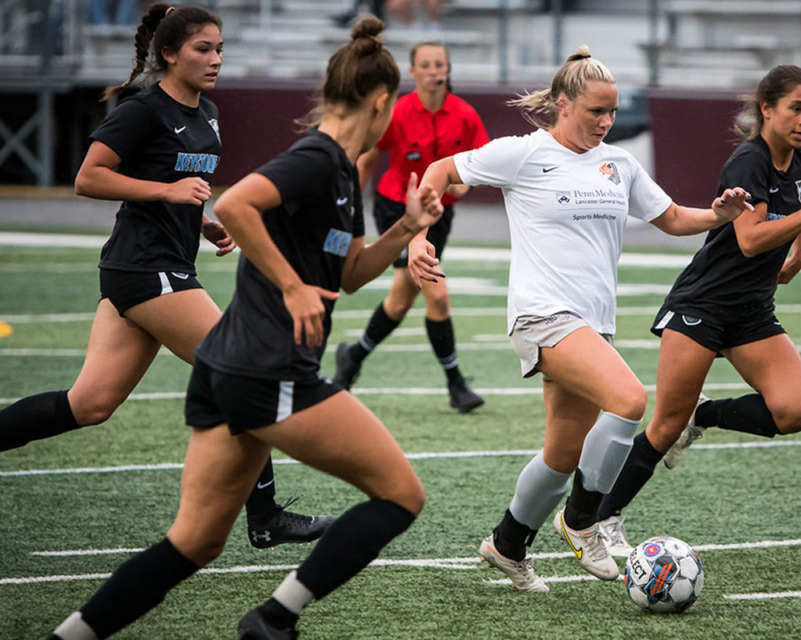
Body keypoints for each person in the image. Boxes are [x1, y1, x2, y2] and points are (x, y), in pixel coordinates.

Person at [48, 15, 440, 640]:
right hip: (267, 368)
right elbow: (233, 204)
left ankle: (71, 634)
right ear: (381, 101)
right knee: (401, 496)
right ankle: (275, 618)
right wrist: (289, 286)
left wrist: (406, 229)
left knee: (195, 543)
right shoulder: (316, 158)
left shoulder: (344, 171)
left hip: (231, 371)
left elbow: (350, 275)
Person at [412, 46, 752, 591]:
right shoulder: (522, 154)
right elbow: (437, 172)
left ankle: (506, 544)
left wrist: (720, 214)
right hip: (542, 316)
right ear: (563, 104)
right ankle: (583, 521)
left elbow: (670, 218)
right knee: (630, 398)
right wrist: (418, 237)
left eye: (612, 112)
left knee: (562, 453)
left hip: (592, 324)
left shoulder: (619, 163)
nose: (606, 121)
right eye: (596, 110)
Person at [0, 4, 331, 550]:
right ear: (170, 53)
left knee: (90, 404)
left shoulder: (210, 113)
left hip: (155, 267)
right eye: (204, 49)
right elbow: (89, 178)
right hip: (146, 269)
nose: (216, 59)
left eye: (221, 49)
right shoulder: (141, 109)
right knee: (244, 368)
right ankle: (266, 515)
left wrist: (199, 222)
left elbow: (172, 181)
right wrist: (169, 195)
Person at [593, 65, 801, 555]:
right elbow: (752, 239)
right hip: (703, 306)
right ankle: (603, 516)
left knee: (793, 411)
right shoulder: (748, 163)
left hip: (753, 312)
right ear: (767, 109)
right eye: (796, 108)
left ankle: (707, 414)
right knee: (665, 424)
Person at [333, 40, 489, 413]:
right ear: (413, 71)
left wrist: (467, 181)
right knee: (436, 292)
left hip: (439, 215)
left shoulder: (464, 114)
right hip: (397, 211)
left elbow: (481, 161)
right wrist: (351, 203)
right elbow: (368, 157)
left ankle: (352, 358)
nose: (435, 70)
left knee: (401, 299)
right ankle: (456, 385)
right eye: (427, 64)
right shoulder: (400, 111)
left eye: (441, 64)